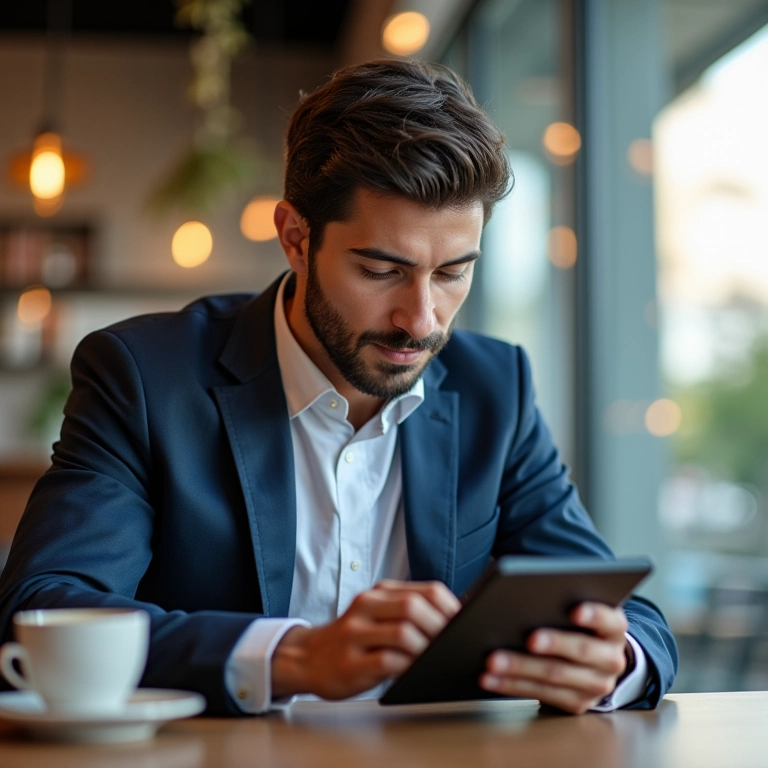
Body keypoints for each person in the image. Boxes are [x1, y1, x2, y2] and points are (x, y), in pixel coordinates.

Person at [0, 60, 677, 716]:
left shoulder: (495, 387)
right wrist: (292, 657)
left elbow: (627, 616)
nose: (421, 319)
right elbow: (45, 609)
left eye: (452, 273)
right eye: (382, 270)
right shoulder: (145, 376)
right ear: (296, 238)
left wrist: (613, 661)